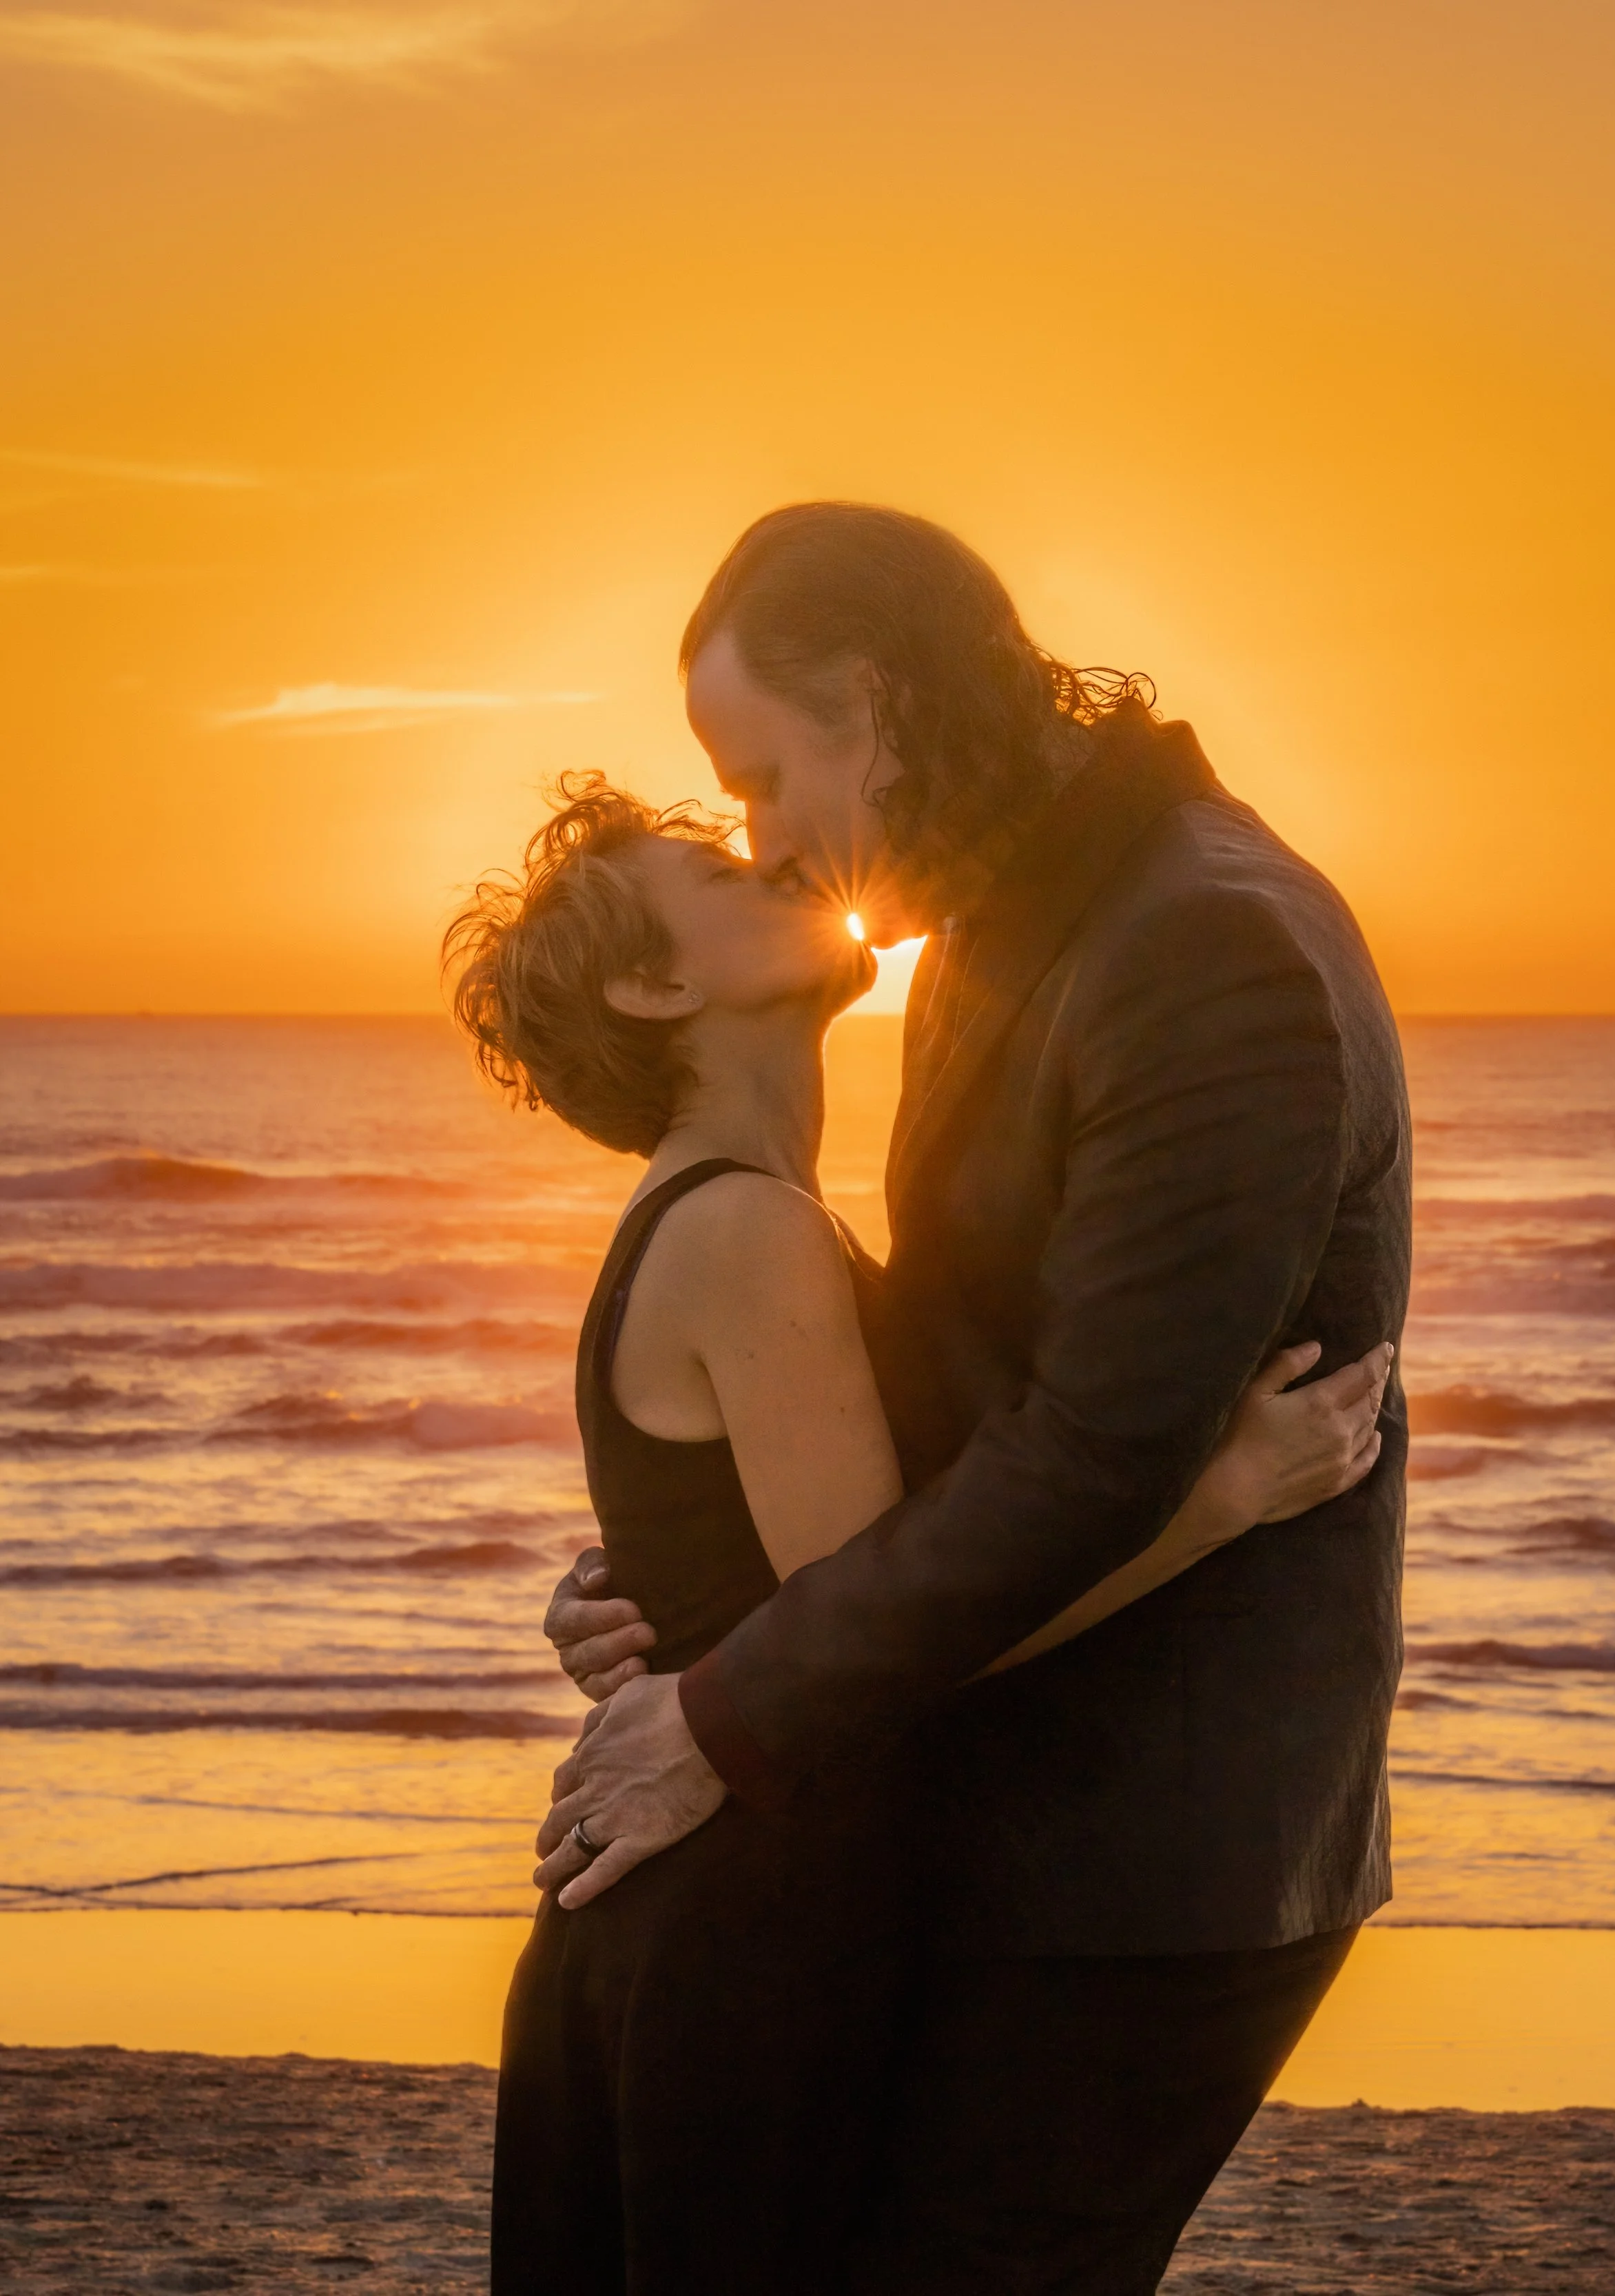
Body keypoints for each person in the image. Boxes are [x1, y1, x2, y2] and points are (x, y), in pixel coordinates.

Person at [537, 502, 1413, 2290]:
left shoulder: (1200, 944)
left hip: (1140, 1854)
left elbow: (1093, 1453)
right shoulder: (1002, 917)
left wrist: (726, 1701)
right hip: (976, 1797)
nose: (766, 835)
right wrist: (697, 1576)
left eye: (763, 774)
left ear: (875, 701)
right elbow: (954, 1376)